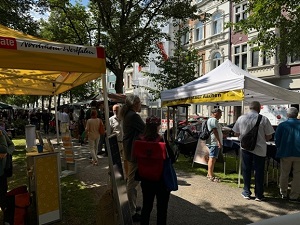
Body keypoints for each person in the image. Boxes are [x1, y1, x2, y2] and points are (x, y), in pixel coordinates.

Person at [232, 101, 274, 201]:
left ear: (250, 108)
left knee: (246, 169)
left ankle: (246, 192)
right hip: (260, 149)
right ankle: (259, 194)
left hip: (245, 147)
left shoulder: (241, 118)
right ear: (259, 108)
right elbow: (269, 136)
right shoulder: (263, 119)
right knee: (259, 171)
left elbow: (236, 133)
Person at [136, 116, 174, 225]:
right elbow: (171, 158)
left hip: (145, 178)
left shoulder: (139, 140)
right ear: (158, 126)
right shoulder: (161, 140)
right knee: (162, 208)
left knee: (146, 206)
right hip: (161, 179)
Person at [120, 94, 145, 222]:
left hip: (130, 151)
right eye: (140, 102)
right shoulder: (133, 116)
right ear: (135, 104)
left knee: (132, 179)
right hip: (133, 152)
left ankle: (132, 206)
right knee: (133, 181)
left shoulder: (128, 114)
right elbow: (145, 129)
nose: (141, 104)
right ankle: (131, 210)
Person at [275, 107, 300, 201]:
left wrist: (279, 147)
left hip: (285, 152)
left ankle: (283, 193)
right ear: (296, 114)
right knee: (298, 175)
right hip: (299, 153)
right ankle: (294, 195)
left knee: (284, 173)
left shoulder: (282, 125)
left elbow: (277, 140)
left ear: (288, 114)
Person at [0, 123, 15, 211]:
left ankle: (6, 212)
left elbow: (11, 145)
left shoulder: (1, 130)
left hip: (3, 169)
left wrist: (7, 153)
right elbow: (3, 148)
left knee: (3, 192)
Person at [206, 108, 223, 182]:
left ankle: (210, 173)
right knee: (212, 158)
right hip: (214, 142)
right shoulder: (213, 120)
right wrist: (219, 141)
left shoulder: (212, 120)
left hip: (213, 142)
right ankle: (210, 175)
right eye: (220, 113)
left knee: (213, 158)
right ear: (215, 113)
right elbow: (215, 131)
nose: (221, 115)